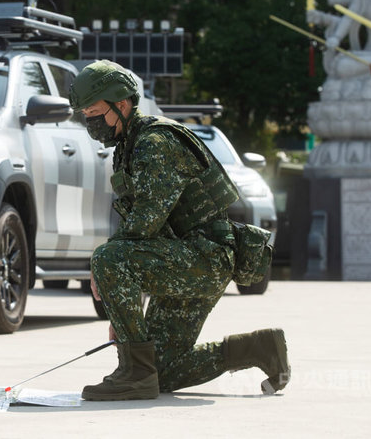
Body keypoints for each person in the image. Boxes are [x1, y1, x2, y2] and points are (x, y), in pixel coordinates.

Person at [68, 60, 290, 401]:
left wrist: (108, 279)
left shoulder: (155, 142)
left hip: (205, 257)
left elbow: (145, 222)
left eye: (95, 111)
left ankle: (135, 373)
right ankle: (261, 348)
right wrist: (125, 317)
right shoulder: (129, 146)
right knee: (164, 373)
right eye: (85, 114)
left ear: (122, 104)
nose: (90, 121)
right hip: (188, 258)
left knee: (108, 258)